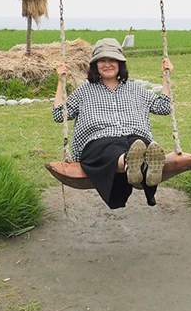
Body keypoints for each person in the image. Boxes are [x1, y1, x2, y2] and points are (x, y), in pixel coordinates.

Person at [53, 37, 174, 209]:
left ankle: (142, 164)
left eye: (112, 60)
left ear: (120, 64)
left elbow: (163, 107)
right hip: (97, 141)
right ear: (95, 65)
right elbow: (59, 115)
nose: (107, 64)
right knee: (111, 149)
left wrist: (165, 77)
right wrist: (60, 82)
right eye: (102, 60)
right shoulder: (84, 91)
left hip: (134, 137)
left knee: (137, 144)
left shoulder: (135, 89)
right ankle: (133, 163)